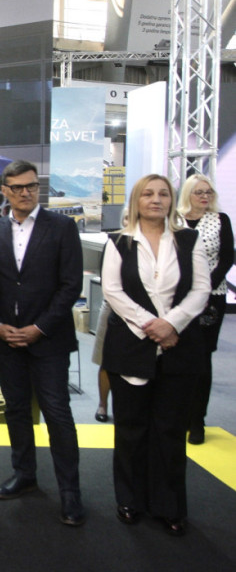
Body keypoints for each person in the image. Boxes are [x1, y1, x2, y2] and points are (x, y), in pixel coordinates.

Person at [101, 174, 210, 536]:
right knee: (130, 429)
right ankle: (130, 500)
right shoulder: (118, 242)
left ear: (172, 201)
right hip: (131, 346)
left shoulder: (189, 240)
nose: (156, 199)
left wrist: (172, 324)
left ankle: (169, 506)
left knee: (170, 430)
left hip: (180, 348)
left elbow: (201, 290)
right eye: (147, 194)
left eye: (163, 194)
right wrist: (152, 326)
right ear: (136, 201)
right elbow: (113, 292)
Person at [0, 159, 85, 526]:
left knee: (57, 413)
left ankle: (70, 491)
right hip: (6, 340)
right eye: (18, 187)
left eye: (32, 186)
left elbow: (71, 285)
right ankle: (24, 474)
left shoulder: (62, 227)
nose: (26, 192)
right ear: (4, 191)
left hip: (49, 341)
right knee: (16, 410)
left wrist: (39, 328)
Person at [177, 173, 234, 445]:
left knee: (201, 358)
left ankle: (197, 420)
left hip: (212, 297)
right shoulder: (174, 219)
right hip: (176, 297)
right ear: (188, 194)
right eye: (199, 192)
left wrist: (203, 288)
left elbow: (227, 257)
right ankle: (177, 416)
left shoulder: (220, 220)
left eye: (209, 192)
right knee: (176, 356)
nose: (205, 196)